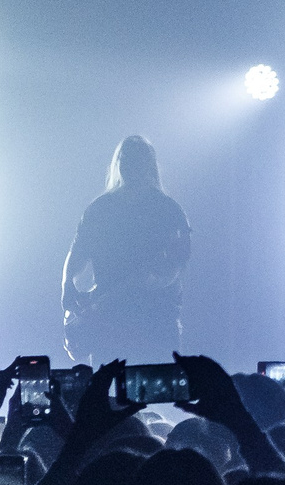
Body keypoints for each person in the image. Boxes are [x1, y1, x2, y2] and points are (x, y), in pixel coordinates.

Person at [62, 135, 191, 363]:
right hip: (111, 324)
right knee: (111, 394)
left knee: (153, 390)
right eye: (125, 158)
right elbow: (78, 252)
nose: (129, 164)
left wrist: (116, 296)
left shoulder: (168, 210)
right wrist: (67, 286)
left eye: (136, 158)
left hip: (154, 322)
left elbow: (172, 269)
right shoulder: (100, 209)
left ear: (148, 164)